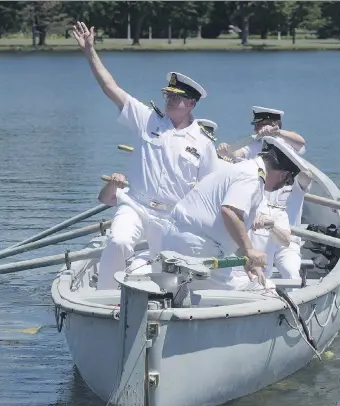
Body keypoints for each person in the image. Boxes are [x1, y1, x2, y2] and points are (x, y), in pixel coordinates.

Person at [72, 21, 219, 290]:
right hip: (136, 204)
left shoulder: (203, 143)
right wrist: (90, 51)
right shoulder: (148, 119)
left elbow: (210, 191)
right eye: (168, 95)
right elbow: (110, 88)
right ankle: (105, 297)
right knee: (118, 241)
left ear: (192, 103)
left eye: (177, 97)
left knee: (167, 273)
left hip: (172, 217)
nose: (170, 100)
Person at [160, 135, 308, 287]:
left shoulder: (247, 170)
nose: (285, 186)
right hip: (196, 246)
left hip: (187, 239)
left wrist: (246, 257)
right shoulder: (251, 177)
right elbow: (230, 212)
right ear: (284, 175)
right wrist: (249, 249)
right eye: (288, 181)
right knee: (262, 290)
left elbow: (230, 226)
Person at [217, 106, 306, 161]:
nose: (255, 129)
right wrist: (226, 149)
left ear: (273, 124)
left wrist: (277, 132)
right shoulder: (256, 143)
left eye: (258, 125)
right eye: (255, 125)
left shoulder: (287, 139)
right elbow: (237, 154)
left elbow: (301, 142)